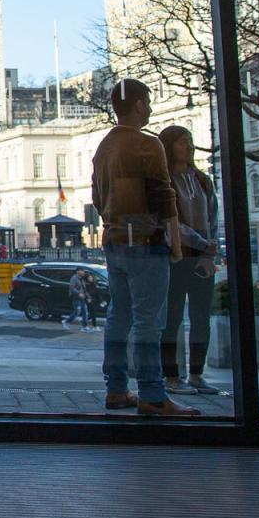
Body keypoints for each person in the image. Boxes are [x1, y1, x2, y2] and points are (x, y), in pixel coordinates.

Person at [91, 79, 195, 417]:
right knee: (150, 321)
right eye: (147, 102)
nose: (149, 108)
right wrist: (176, 243)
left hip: (114, 241)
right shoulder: (148, 145)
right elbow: (164, 197)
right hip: (146, 243)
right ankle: (152, 393)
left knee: (117, 318)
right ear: (137, 105)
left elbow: (96, 198)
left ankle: (116, 390)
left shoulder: (104, 147)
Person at [157, 125, 220, 396]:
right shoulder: (165, 181)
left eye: (190, 142)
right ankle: (171, 376)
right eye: (183, 142)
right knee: (172, 319)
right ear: (170, 147)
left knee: (200, 317)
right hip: (176, 256)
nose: (189, 147)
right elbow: (170, 223)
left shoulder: (202, 180)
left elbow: (213, 218)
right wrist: (203, 243)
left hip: (201, 257)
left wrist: (208, 250)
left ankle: (196, 374)